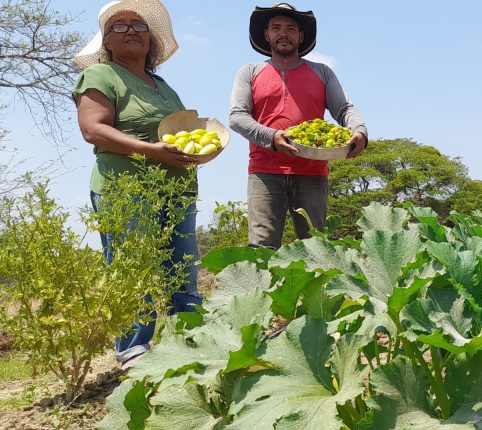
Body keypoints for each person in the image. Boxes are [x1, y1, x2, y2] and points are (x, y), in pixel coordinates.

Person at [72, 0, 201, 369]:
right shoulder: (101, 76)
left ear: (151, 39)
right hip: (126, 189)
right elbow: (93, 129)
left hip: (175, 189)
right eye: (119, 25)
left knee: (183, 267)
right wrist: (151, 151)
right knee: (133, 267)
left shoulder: (163, 86)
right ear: (106, 41)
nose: (131, 29)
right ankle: (133, 350)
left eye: (139, 25)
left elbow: (180, 131)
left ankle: (192, 340)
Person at [229, 2, 368, 249]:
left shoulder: (322, 72)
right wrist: (272, 137)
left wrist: (360, 130)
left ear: (301, 36)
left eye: (291, 28)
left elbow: (344, 109)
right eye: (276, 28)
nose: (283, 33)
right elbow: (237, 117)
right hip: (265, 172)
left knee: (315, 248)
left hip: (312, 172)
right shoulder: (249, 72)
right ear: (266, 34)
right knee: (261, 247)